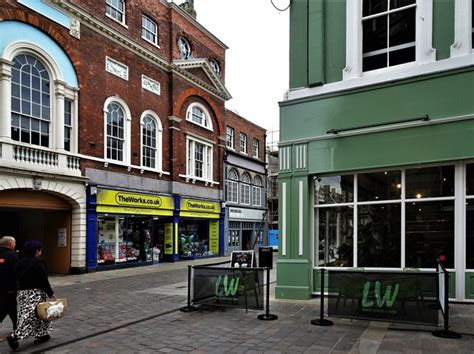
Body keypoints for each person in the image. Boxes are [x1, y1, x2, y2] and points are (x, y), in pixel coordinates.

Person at [7, 240, 55, 351]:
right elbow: (43, 280)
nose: (40, 252)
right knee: (33, 316)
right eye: (40, 250)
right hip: (35, 293)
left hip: (22, 293)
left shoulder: (20, 262)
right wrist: (50, 293)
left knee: (35, 314)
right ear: (37, 251)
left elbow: (15, 277)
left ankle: (43, 334)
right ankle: (15, 336)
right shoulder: (39, 262)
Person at [0, 236, 19, 342]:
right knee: (7, 308)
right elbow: (17, 271)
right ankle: (18, 328)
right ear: (10, 244)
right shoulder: (11, 255)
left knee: (10, 308)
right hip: (9, 288)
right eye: (14, 242)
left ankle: (17, 327)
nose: (15, 244)